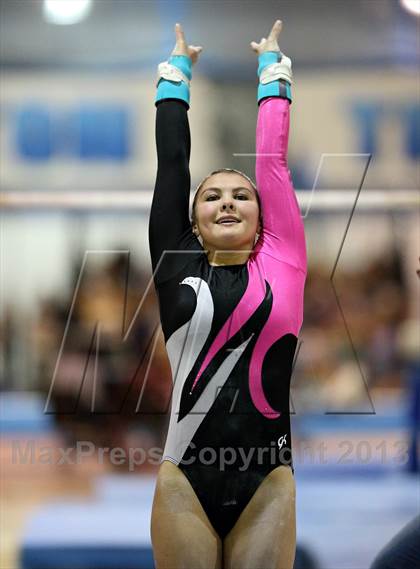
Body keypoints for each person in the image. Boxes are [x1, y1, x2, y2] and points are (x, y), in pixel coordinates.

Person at [149, 19, 307, 569]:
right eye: (212, 196)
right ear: (192, 219)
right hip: (184, 480)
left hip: (267, 478)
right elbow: (172, 166)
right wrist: (175, 76)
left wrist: (273, 72)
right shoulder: (175, 261)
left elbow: (273, 164)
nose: (228, 202)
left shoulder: (283, 261)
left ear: (263, 215)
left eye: (241, 195)